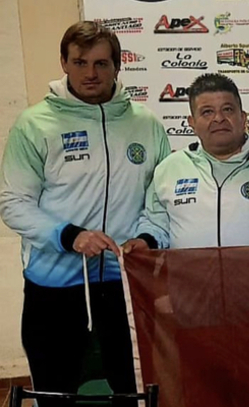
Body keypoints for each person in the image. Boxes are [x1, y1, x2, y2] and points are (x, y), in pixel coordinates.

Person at [0, 21, 170, 404]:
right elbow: (13, 202)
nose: (90, 73)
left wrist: (146, 239)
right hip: (54, 287)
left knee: (136, 392)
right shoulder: (34, 124)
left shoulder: (146, 125)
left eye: (101, 63)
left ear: (117, 65)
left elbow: (160, 201)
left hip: (125, 286)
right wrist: (70, 235)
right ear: (63, 63)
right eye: (79, 62)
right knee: (56, 392)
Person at [130, 73, 249, 248]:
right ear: (191, 123)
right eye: (207, 112)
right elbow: (155, 224)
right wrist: (145, 241)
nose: (219, 118)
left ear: (243, 117)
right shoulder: (169, 169)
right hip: (188, 278)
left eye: (228, 109)